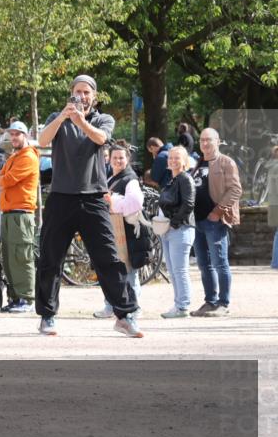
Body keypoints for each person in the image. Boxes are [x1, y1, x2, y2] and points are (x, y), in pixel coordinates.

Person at [36, 74, 142, 337]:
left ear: (94, 96)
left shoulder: (102, 119)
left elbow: (99, 139)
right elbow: (41, 141)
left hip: (93, 197)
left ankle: (124, 315)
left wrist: (80, 120)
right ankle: (47, 315)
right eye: (77, 92)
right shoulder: (57, 117)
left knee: (108, 257)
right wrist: (63, 117)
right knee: (51, 258)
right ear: (70, 94)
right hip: (60, 196)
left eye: (86, 93)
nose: (82, 97)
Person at [189, 127, 241, 317]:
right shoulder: (198, 162)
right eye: (202, 140)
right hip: (198, 221)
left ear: (217, 141)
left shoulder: (226, 162)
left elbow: (235, 190)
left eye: (208, 140)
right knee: (204, 264)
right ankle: (210, 301)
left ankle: (223, 303)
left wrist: (218, 212)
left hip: (215, 221)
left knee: (220, 263)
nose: (204, 143)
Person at [93, 145, 150, 318]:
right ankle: (110, 305)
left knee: (129, 272)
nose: (118, 161)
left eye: (121, 158)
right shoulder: (112, 178)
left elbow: (135, 203)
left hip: (129, 234)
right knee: (112, 271)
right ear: (109, 159)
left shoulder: (130, 179)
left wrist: (112, 202)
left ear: (128, 159)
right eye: (115, 157)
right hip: (115, 232)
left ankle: (135, 307)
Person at [0, 121, 38, 313]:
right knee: (9, 258)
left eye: (17, 134)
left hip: (21, 214)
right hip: (9, 213)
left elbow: (7, 179)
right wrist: (2, 180)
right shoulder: (14, 156)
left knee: (22, 257)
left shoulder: (28, 157)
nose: (13, 138)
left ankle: (26, 299)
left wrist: (3, 179)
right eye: (11, 134)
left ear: (25, 135)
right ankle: (15, 298)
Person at [158, 146, 196, 318]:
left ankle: (183, 306)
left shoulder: (185, 179)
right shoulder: (172, 180)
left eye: (177, 158)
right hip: (169, 229)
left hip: (180, 229)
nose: (173, 160)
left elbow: (188, 204)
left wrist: (172, 224)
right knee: (173, 270)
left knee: (180, 270)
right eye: (171, 157)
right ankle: (178, 304)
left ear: (184, 161)